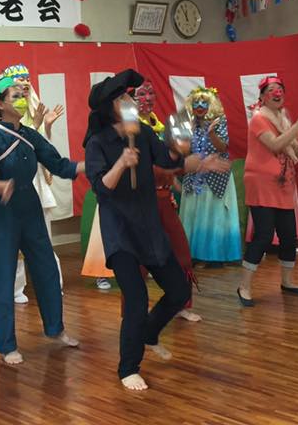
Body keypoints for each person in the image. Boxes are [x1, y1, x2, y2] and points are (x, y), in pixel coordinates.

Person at [84, 70, 232, 391]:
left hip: (149, 227)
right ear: (109, 107)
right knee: (136, 299)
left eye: (129, 95)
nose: (130, 101)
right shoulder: (98, 143)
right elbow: (101, 188)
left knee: (179, 291)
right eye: (123, 97)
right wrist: (121, 163)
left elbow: (168, 160)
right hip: (120, 232)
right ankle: (128, 368)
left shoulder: (144, 133)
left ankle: (150, 333)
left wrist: (185, 153)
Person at [0, 75, 83, 365]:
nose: (22, 100)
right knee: (3, 278)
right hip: (0, 214)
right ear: (0, 104)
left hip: (30, 209)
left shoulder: (30, 135)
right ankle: (7, 345)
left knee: (47, 269)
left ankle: (55, 329)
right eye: (15, 96)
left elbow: (58, 165)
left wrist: (91, 166)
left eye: (23, 95)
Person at [237, 76, 298, 307]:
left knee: (288, 235)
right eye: (271, 89)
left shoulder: (283, 121)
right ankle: (244, 286)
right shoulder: (259, 119)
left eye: (280, 89)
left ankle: (287, 281)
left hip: (283, 184)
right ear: (262, 96)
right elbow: (276, 145)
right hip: (261, 184)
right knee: (264, 235)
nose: (277, 93)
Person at [132, 80, 200, 322]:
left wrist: (176, 177)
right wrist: (181, 167)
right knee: (139, 263)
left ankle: (182, 304)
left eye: (151, 93)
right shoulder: (130, 132)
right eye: (142, 94)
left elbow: (169, 163)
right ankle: (133, 313)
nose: (148, 98)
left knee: (181, 252)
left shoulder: (158, 125)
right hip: (142, 204)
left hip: (163, 200)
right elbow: (150, 169)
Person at [1, 64, 65, 303]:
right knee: (15, 241)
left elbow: (43, 148)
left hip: (37, 181)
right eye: (19, 81)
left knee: (43, 238)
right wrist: (37, 124)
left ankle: (52, 284)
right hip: (16, 183)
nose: (25, 85)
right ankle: (16, 289)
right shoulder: (4, 118)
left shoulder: (36, 111)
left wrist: (45, 125)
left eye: (27, 80)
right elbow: (13, 146)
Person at [180, 87, 242, 267]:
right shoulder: (188, 124)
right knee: (193, 215)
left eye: (204, 103)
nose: (200, 106)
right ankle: (193, 254)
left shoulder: (218, 121)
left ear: (211, 105)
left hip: (216, 177)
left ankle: (215, 256)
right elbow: (182, 151)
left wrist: (211, 133)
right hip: (194, 177)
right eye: (196, 103)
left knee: (214, 217)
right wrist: (189, 133)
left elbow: (223, 147)